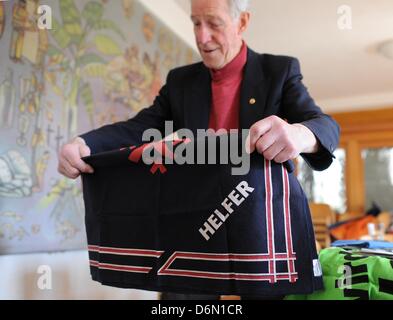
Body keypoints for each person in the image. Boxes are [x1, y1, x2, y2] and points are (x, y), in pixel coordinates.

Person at [58, 0, 340, 299]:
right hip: (194, 218)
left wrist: (299, 133)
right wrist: (84, 144)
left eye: (213, 23)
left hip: (259, 223)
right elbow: (140, 127)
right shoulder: (180, 81)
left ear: (241, 22)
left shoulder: (279, 70)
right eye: (195, 23)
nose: (202, 37)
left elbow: (324, 124)